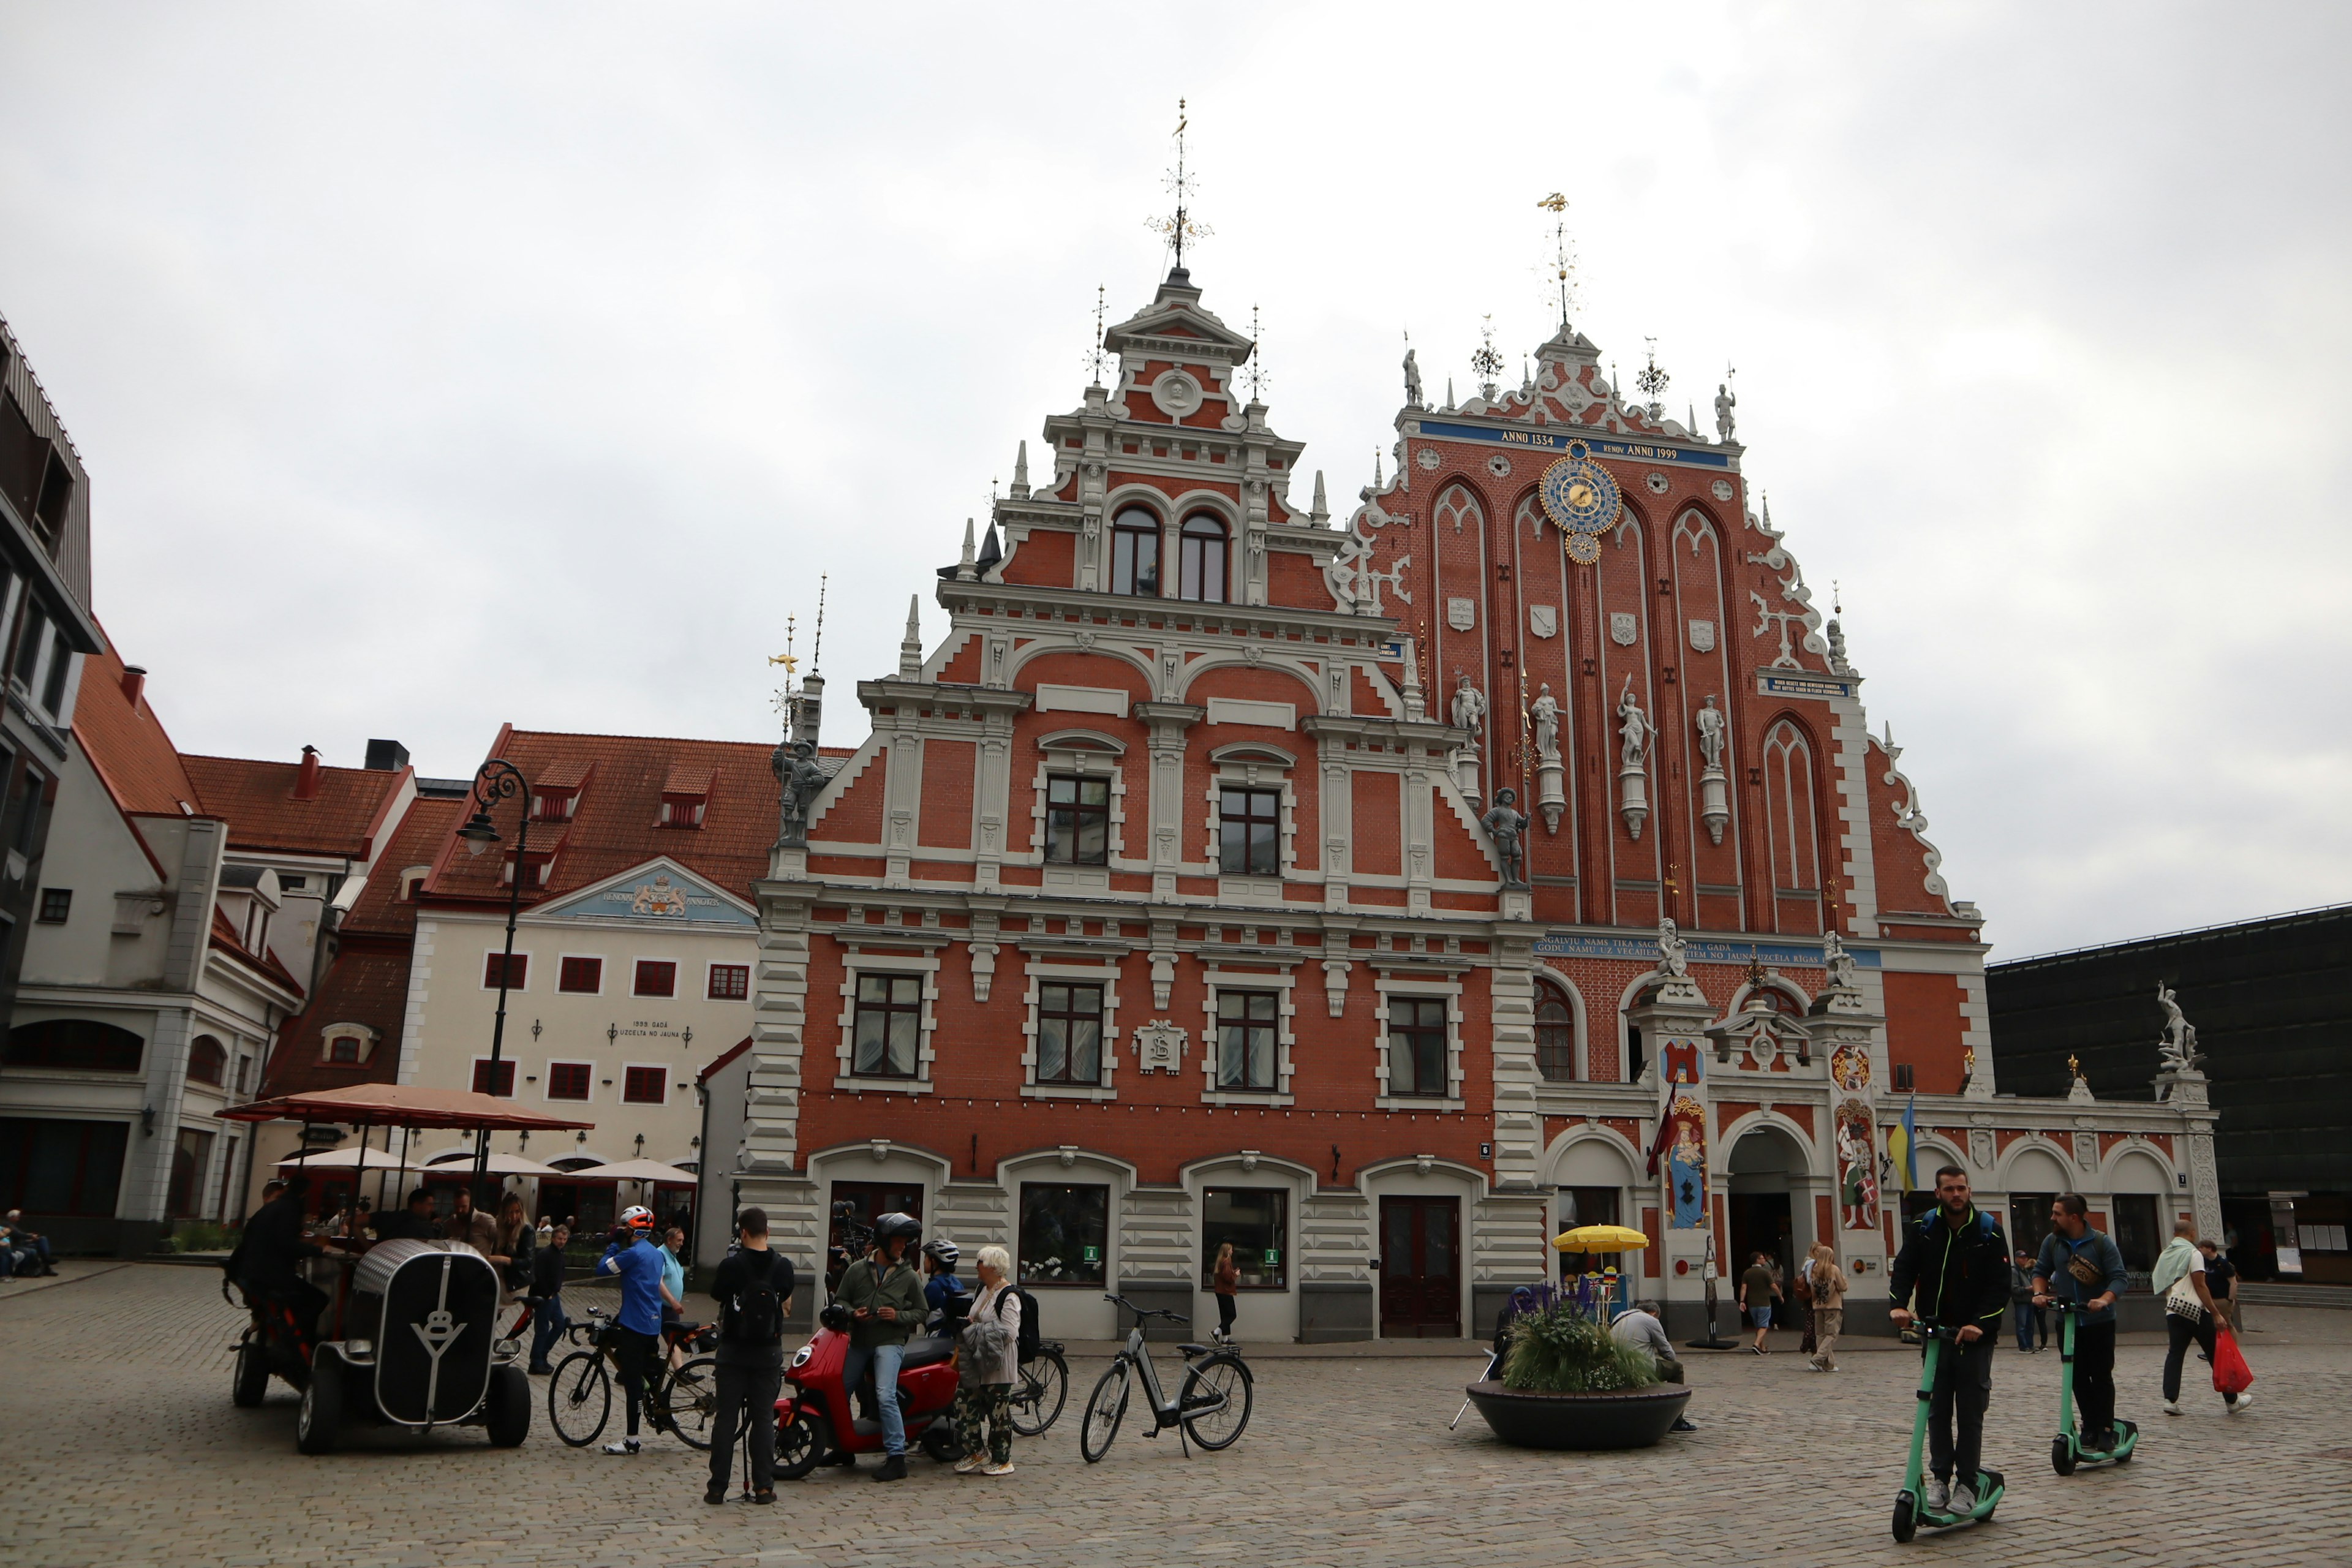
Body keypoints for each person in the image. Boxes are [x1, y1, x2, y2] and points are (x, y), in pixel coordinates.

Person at [1889, 1165, 2009, 1517]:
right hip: (1936, 1334)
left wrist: (1979, 1325)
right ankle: (1940, 1478)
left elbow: (1999, 1286)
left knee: (1970, 1413)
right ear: (1938, 1193)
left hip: (1973, 1338)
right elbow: (1905, 1267)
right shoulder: (1924, 1229)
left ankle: (1968, 1483)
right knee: (1936, 1410)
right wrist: (1898, 1305)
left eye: (1961, 1188)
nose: (1956, 1194)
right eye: (1949, 1189)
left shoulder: (1989, 1232)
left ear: (1969, 1191)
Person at [704, 1207, 795, 1504]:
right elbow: (786, 1299)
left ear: (742, 1233)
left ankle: (717, 1488)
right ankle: (763, 1487)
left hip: (733, 1350)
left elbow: (717, 1294)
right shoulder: (783, 1267)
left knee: (726, 1419)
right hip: (768, 1352)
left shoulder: (731, 1266)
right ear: (767, 1232)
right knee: (763, 1418)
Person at [2032, 1193, 2128, 1454]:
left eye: (2057, 1213)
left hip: (2099, 1322)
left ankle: (2106, 1429)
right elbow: (2040, 1271)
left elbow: (2119, 1278)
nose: (2052, 1217)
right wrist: (2039, 1293)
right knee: (2076, 1376)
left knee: (2100, 1375)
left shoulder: (2101, 1242)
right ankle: (2088, 1426)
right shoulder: (2053, 1242)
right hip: (2068, 1321)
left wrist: (2104, 1299)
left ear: (2073, 1217)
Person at [836, 1211, 926, 1481]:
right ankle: (842, 1448)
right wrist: (853, 1313)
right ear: (883, 1241)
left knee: (885, 1394)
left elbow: (922, 1312)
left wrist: (898, 1316)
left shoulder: (909, 1277)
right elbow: (841, 1300)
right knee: (840, 1391)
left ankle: (897, 1457)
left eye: (905, 1243)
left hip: (890, 1342)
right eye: (898, 1241)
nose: (902, 1247)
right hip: (860, 1340)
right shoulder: (856, 1270)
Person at [2156, 1222, 2252, 1417]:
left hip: (2174, 1309)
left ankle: (2170, 1400)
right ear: (2191, 1234)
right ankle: (2232, 1400)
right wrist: (2215, 1313)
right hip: (2196, 1311)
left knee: (2175, 1354)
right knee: (2216, 1354)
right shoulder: (2193, 1254)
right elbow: (2200, 1285)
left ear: (2175, 1234)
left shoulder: (2166, 1254)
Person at [595, 1205, 668, 1455]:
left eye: (624, 1227)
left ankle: (632, 1440)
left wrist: (614, 1245)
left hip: (635, 1324)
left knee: (633, 1384)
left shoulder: (632, 1254)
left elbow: (602, 1269)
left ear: (633, 1229)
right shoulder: (657, 1254)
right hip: (653, 1322)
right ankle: (663, 1414)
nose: (622, 1231)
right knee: (650, 1377)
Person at [952, 1243, 1023, 1477]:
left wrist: (979, 1330)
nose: (976, 1267)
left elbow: (1010, 1332)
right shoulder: (983, 1289)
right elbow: (977, 1317)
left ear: (992, 1267)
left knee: (998, 1412)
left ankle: (1003, 1459)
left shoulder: (1009, 1295)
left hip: (997, 1363)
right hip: (977, 1359)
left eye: (980, 1263)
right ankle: (976, 1451)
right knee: (964, 1402)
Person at [239, 1173, 331, 1342]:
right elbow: (286, 1244)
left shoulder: (273, 1207)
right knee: (319, 1299)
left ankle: (283, 1332)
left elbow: (274, 1237)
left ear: (287, 1187)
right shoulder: (291, 1208)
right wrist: (317, 1250)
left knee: (301, 1299)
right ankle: (296, 1339)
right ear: (304, 1193)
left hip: (252, 1271)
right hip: (271, 1274)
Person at [1610, 1299, 1696, 1431]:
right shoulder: (1651, 1321)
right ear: (1653, 1313)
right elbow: (1669, 1355)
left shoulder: (1620, 1317)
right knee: (1677, 1369)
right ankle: (1677, 1420)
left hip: (1617, 1368)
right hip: (1641, 1368)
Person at [527, 1224, 570, 1374]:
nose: (562, 1241)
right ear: (553, 1238)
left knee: (560, 1324)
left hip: (553, 1296)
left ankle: (543, 1354)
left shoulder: (559, 1253)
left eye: (565, 1239)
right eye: (559, 1238)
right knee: (542, 1330)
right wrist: (547, 1294)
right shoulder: (545, 1254)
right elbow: (538, 1276)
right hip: (543, 1297)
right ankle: (536, 1362)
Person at [1806, 1244, 1849, 1372]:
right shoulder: (1834, 1269)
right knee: (1831, 1334)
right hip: (1833, 1306)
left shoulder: (1814, 1270)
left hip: (1818, 1305)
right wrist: (1845, 1280)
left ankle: (1828, 1365)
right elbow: (1843, 1287)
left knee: (1820, 1334)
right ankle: (1817, 1359)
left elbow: (1812, 1289)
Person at [658, 1224, 690, 1368]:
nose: (682, 1244)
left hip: (671, 1308)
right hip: (661, 1307)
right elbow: (658, 1283)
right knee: (664, 1340)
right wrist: (673, 1301)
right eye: (679, 1240)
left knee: (674, 1341)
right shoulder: (660, 1255)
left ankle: (680, 1373)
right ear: (669, 1240)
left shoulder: (673, 1257)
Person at [922, 1237, 968, 1328]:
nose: (924, 1261)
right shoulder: (956, 1282)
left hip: (935, 1336)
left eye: (926, 1257)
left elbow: (920, 1313)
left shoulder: (934, 1287)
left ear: (933, 1261)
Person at [1741, 1252, 1781, 1353]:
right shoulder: (1765, 1272)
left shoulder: (1747, 1273)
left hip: (1752, 1304)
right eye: (1762, 1258)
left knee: (1758, 1327)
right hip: (1764, 1303)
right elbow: (1774, 1286)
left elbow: (1744, 1287)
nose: (1764, 1260)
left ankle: (1762, 1348)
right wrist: (1780, 1296)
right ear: (1757, 1260)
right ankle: (1756, 1344)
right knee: (1764, 1326)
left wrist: (1742, 1301)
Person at [496, 1193, 535, 1293]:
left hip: (518, 1282)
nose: (514, 1216)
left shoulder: (526, 1230)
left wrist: (503, 1259)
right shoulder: (504, 1227)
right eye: (510, 1212)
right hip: (504, 1276)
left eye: (517, 1212)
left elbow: (528, 1261)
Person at [442, 1186, 497, 1254]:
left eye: (463, 1207)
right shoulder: (451, 1222)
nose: (460, 1210)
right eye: (457, 1207)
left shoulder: (485, 1220)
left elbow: (501, 1240)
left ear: (471, 1204)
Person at [2199, 1238, 2239, 1333]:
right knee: (2211, 1325)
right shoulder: (2203, 1261)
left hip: (2222, 1298)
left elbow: (2233, 1282)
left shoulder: (2223, 1263)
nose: (2199, 1250)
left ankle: (2233, 1346)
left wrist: (2230, 1299)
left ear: (2209, 1249)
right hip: (2209, 1298)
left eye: (2202, 1247)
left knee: (2227, 1324)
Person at [1, 1210, 55, 1278]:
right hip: (14, 1245)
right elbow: (17, 1234)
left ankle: (45, 1262)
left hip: (21, 1242)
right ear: (11, 1217)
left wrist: (29, 1238)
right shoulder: (7, 1224)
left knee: (42, 1240)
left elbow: (19, 1235)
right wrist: (30, 1236)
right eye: (17, 1217)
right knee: (31, 1251)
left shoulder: (12, 1225)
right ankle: (45, 1262)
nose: (18, 1219)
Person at [374, 1187, 439, 1243]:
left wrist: (369, 1249)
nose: (432, 1209)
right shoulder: (424, 1229)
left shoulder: (387, 1217)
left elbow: (363, 1219)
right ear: (417, 1205)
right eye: (429, 1205)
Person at [2010, 1248, 2042, 1352]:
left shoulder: (2026, 1270)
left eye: (2025, 1258)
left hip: (2029, 1301)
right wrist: (2027, 1289)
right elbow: (2014, 1288)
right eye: (2021, 1258)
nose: (2024, 1260)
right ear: (2016, 1259)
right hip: (2021, 1302)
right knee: (2022, 1325)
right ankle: (2023, 1346)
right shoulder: (2014, 1271)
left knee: (2030, 1326)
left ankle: (2030, 1345)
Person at [1212, 1241, 1240, 1343]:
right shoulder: (1227, 1261)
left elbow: (1223, 1276)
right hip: (1226, 1292)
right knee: (1232, 1315)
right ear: (1227, 1251)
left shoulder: (1220, 1261)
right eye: (1231, 1249)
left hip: (1220, 1291)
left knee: (1225, 1316)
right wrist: (1236, 1274)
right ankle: (1216, 1332)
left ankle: (1225, 1339)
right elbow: (1228, 1278)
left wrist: (1233, 1273)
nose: (1232, 1251)